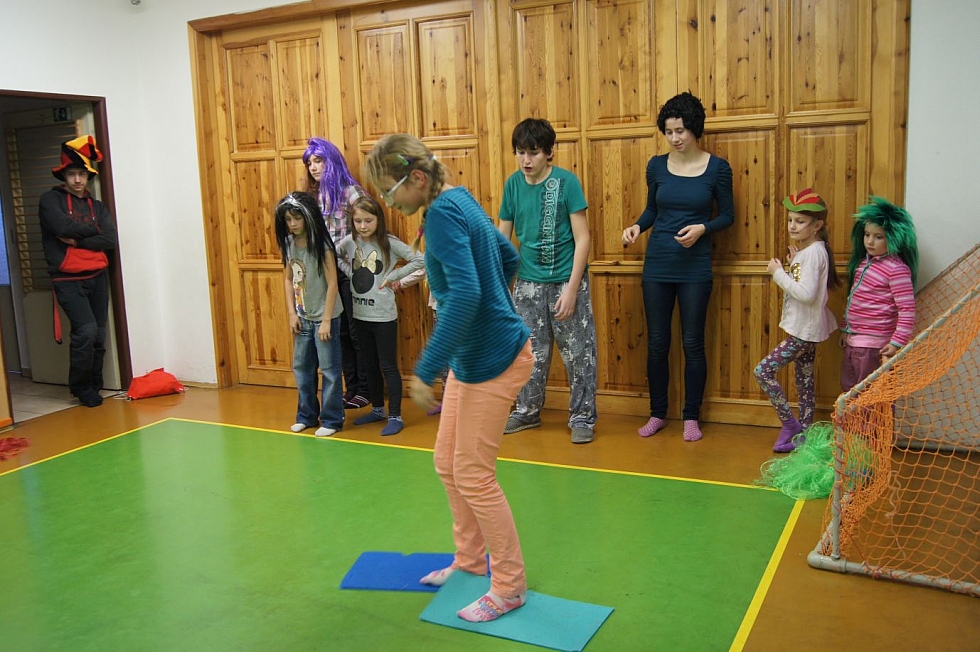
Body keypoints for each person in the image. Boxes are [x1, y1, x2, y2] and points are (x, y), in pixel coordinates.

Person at [364, 133, 534, 623]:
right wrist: (487, 312)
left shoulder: (441, 215)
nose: (388, 202)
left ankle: (509, 587)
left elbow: (465, 295)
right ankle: (470, 561)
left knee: (475, 475)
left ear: (417, 178)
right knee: (447, 462)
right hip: (473, 356)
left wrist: (425, 367)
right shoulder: (459, 199)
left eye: (390, 191)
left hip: (492, 360)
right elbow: (507, 258)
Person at [621, 92, 735, 442]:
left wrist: (703, 228)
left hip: (695, 267)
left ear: (694, 128)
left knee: (692, 343)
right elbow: (652, 210)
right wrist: (637, 226)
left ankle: (691, 417)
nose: (674, 138)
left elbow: (728, 216)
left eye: (681, 130)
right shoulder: (656, 166)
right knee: (657, 343)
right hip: (658, 264)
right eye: (669, 131)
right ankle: (657, 413)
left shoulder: (718, 168)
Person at [498, 118, 598, 444]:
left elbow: (583, 238)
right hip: (527, 284)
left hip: (566, 281)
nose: (526, 160)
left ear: (549, 152)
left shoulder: (567, 183)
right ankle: (527, 411)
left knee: (579, 354)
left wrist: (572, 289)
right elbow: (503, 238)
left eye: (533, 152)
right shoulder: (513, 185)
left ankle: (582, 417)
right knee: (528, 353)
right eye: (520, 152)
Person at [754, 189, 840, 453]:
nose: (792, 225)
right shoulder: (811, 251)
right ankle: (805, 433)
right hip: (807, 329)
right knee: (804, 381)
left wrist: (778, 273)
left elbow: (806, 294)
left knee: (762, 372)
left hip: (804, 332)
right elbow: (804, 284)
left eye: (800, 221)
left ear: (817, 225)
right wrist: (793, 266)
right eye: (791, 220)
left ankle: (790, 425)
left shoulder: (813, 253)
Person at [334, 195, 425, 436]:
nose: (363, 226)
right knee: (369, 364)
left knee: (388, 366)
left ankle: (395, 415)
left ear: (378, 220)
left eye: (368, 221)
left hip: (383, 318)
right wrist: (350, 273)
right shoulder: (350, 242)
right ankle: (377, 410)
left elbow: (420, 259)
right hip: (360, 315)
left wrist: (394, 276)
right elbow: (336, 255)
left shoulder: (389, 243)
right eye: (358, 221)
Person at [38, 136, 117, 408]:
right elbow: (61, 227)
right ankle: (81, 388)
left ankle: (94, 385)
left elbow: (109, 239)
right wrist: (93, 232)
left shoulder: (98, 206)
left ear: (88, 177)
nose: (77, 180)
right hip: (67, 278)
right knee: (86, 332)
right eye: (72, 174)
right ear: (64, 176)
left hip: (97, 276)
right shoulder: (50, 200)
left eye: (82, 174)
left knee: (99, 334)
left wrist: (79, 240)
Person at [303, 137, 372, 409]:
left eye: (318, 161)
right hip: (327, 273)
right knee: (340, 333)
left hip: (352, 271)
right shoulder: (314, 197)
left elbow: (370, 226)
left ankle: (366, 389)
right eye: (310, 163)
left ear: (330, 161)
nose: (313, 167)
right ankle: (351, 388)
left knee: (356, 332)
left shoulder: (351, 193)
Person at [274, 192, 345, 438]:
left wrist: (326, 320)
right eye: (288, 219)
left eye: (297, 218)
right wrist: (291, 313)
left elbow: (333, 284)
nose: (292, 224)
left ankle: (332, 419)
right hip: (302, 317)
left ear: (308, 217)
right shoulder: (289, 244)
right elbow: (287, 279)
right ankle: (306, 416)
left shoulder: (322, 245)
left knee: (330, 370)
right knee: (302, 368)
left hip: (324, 317)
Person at [840, 197, 918, 392]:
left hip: (874, 346)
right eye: (867, 234)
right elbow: (854, 300)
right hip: (854, 341)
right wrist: (845, 329)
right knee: (850, 392)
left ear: (893, 237)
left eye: (878, 237)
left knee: (871, 396)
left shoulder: (896, 269)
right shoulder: (863, 264)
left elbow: (907, 309)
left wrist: (897, 342)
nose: (869, 241)